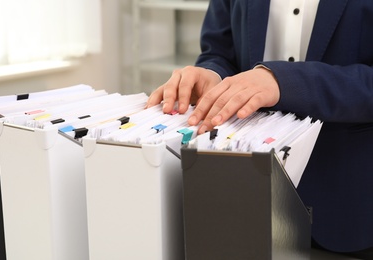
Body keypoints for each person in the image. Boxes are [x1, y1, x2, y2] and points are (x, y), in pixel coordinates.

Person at [146, 0, 373, 258]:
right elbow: (219, 53)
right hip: (241, 199)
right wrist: (213, 75)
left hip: (351, 208)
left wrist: (282, 82)